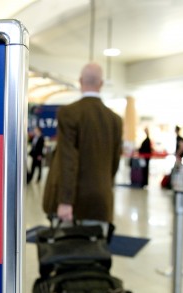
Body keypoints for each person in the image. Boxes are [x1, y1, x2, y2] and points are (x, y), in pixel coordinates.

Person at [42, 62, 123, 237]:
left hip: (70, 203)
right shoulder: (115, 120)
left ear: (80, 81)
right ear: (101, 84)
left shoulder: (69, 112)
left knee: (66, 256)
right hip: (100, 200)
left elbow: (68, 159)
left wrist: (65, 201)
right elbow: (114, 164)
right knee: (94, 257)